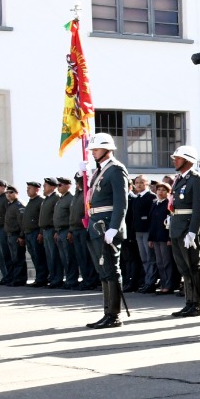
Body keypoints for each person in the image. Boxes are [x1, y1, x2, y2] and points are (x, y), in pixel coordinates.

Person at [84, 132, 131, 329]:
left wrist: (114, 227)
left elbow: (121, 202)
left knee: (111, 269)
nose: (93, 152)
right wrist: (85, 177)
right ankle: (107, 312)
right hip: (97, 225)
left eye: (96, 149)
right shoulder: (100, 171)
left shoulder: (116, 169)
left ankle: (114, 315)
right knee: (103, 271)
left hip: (107, 226)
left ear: (107, 149)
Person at [167, 145, 200, 317]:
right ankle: (189, 302)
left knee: (194, 266)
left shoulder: (197, 180)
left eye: (178, 158)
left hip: (188, 228)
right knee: (184, 268)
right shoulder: (179, 179)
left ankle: (197, 304)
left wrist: (192, 232)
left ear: (189, 161)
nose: (175, 161)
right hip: (177, 227)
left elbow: (199, 209)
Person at [51, 177, 79, 290]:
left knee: (69, 257)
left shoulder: (70, 198)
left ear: (68, 185)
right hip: (59, 231)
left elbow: (71, 216)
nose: (58, 187)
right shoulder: (61, 199)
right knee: (63, 258)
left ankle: (72, 280)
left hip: (66, 230)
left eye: (60, 185)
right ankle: (68, 279)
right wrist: (56, 231)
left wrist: (70, 231)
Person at [22, 180, 48, 286]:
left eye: (30, 188)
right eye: (27, 188)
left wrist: (40, 233)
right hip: (28, 233)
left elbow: (42, 218)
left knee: (39, 256)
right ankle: (39, 277)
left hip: (35, 232)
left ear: (37, 189)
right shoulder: (30, 201)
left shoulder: (40, 201)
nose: (27, 190)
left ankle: (42, 278)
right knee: (34, 256)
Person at [38, 177, 62, 289]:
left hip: (52, 229)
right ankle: (52, 278)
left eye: (45, 185)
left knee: (54, 256)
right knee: (49, 256)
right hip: (45, 230)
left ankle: (57, 279)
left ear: (52, 187)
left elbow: (56, 215)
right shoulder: (47, 199)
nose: (43, 187)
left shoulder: (56, 198)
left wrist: (56, 230)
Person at [2, 186, 28, 286]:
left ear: (16, 193)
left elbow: (22, 222)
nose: (8, 194)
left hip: (16, 235)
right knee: (14, 259)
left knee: (18, 259)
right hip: (10, 235)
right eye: (7, 193)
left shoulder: (18, 205)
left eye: (11, 192)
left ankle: (19, 279)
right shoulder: (10, 205)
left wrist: (21, 236)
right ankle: (15, 278)